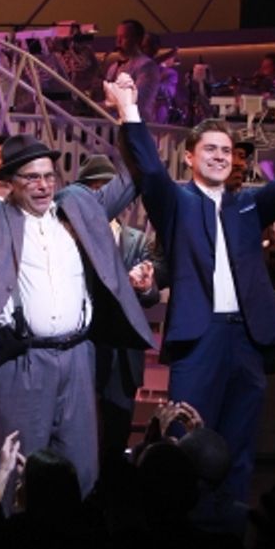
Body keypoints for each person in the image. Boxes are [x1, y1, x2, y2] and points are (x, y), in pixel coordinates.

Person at [0, 84, 153, 497]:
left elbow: (133, 176)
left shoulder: (79, 210)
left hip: (79, 358)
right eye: (31, 178)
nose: (42, 185)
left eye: (49, 176)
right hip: (24, 362)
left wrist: (128, 111)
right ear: (11, 183)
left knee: (82, 470)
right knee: (19, 468)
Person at [118, 81, 275, 505]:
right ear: (190, 156)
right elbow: (151, 172)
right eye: (210, 149)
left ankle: (229, 527)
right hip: (200, 336)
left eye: (225, 151)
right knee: (187, 438)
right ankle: (183, 525)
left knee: (239, 443)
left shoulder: (247, 205)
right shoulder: (177, 201)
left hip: (247, 339)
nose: (218, 157)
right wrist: (129, 110)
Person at [74, 154, 163, 465]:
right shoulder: (72, 238)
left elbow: (150, 296)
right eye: (96, 190)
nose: (105, 198)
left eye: (109, 190)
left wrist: (145, 287)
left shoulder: (136, 240)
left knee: (117, 428)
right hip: (85, 343)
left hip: (123, 352)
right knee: (81, 427)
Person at [103, 19, 162, 123]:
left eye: (124, 37)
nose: (118, 42)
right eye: (117, 37)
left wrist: (104, 105)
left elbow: (136, 101)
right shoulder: (113, 67)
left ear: (137, 40)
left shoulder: (147, 66)